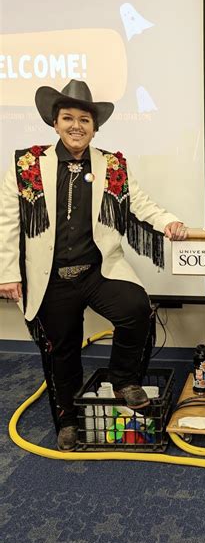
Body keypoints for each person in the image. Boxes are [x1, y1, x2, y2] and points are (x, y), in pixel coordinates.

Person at [0, 80, 188, 451]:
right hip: (51, 277)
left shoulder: (113, 164)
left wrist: (169, 222)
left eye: (84, 119)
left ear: (94, 126)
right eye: (67, 118)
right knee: (62, 349)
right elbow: (8, 221)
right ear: (54, 123)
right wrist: (7, 274)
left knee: (135, 308)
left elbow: (142, 204)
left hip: (98, 270)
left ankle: (123, 379)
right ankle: (68, 419)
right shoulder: (26, 164)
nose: (76, 126)